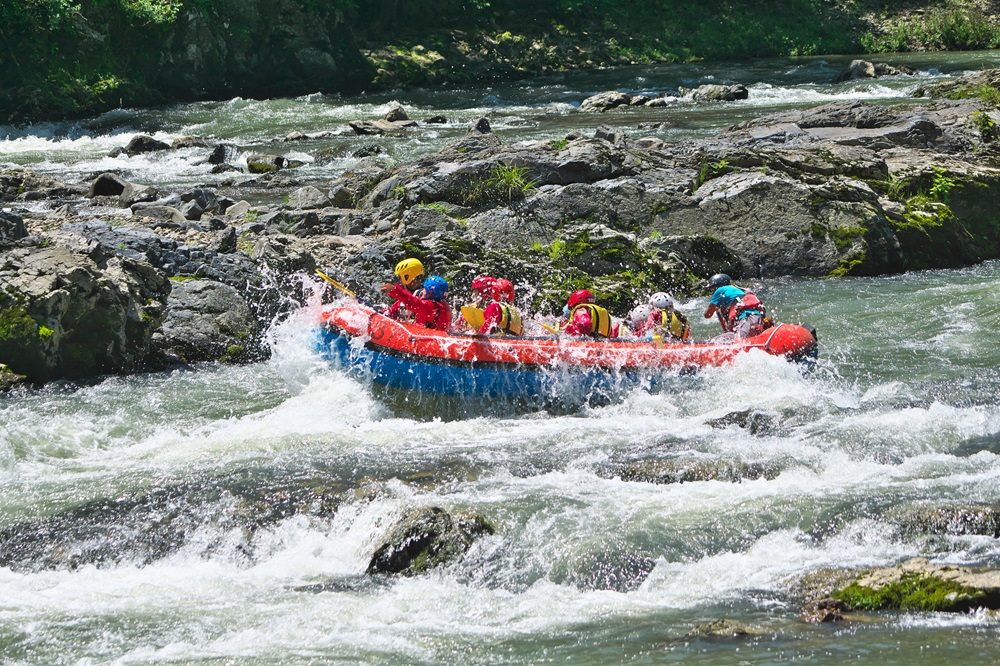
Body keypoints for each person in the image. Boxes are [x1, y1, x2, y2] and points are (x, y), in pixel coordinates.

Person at [702, 273, 767, 339]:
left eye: (712, 289)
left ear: (718, 286)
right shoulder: (740, 290)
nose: (712, 291)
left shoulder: (720, 290)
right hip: (758, 320)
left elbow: (707, 315)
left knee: (719, 340)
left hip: (748, 318)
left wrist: (716, 306)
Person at [381, 274, 452, 331]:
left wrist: (395, 290)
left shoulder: (430, 307)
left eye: (424, 289)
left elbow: (414, 304)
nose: (422, 291)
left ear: (430, 293)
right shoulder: (442, 305)